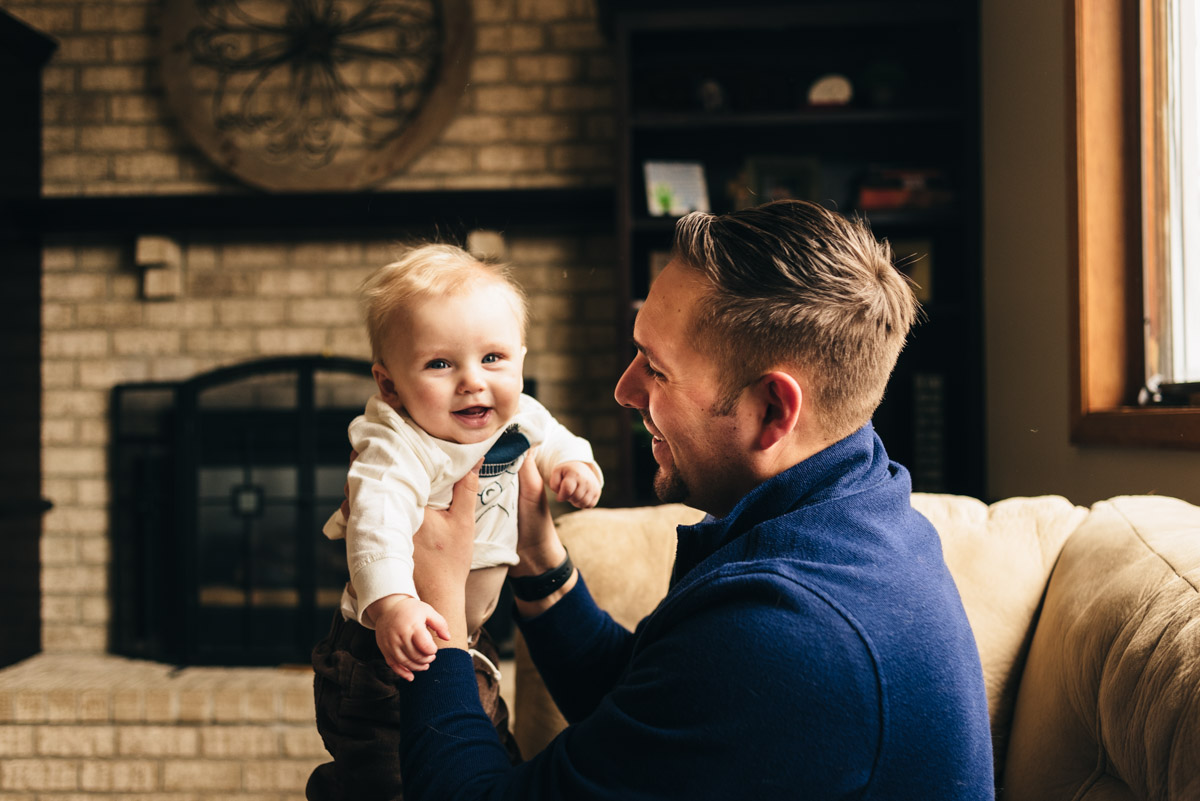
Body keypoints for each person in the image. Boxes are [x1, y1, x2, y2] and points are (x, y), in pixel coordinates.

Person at [399, 200, 997, 799]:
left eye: (656, 370)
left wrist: (440, 607)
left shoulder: (786, 633)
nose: (624, 389)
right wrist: (535, 551)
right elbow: (649, 709)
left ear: (771, 411)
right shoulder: (858, 505)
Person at [307, 243, 604, 801]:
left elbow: (557, 441)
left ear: (520, 357)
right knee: (386, 779)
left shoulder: (518, 417)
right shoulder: (394, 444)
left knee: (490, 753)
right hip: (386, 648)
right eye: (440, 364)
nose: (472, 381)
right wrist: (393, 602)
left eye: (493, 358)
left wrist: (573, 468)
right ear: (390, 384)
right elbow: (376, 523)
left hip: (468, 639)